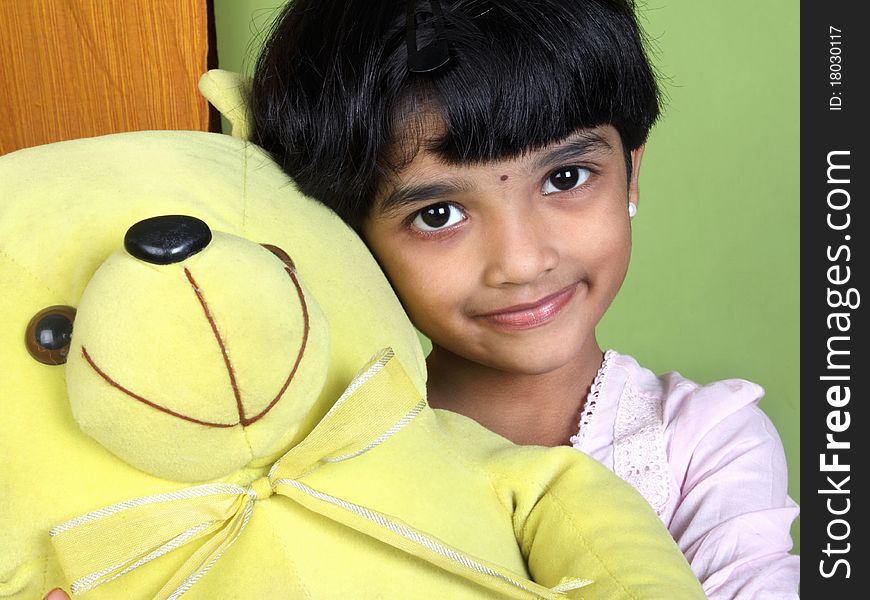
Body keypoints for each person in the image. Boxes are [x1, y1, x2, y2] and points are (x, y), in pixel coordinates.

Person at [247, 0, 800, 597]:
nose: (522, 261)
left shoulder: (701, 445)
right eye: (439, 214)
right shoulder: (311, 456)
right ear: (346, 236)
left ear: (631, 173)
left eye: (566, 178)